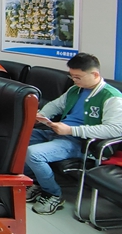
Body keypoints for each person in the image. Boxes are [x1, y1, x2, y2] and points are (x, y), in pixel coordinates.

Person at [25, 53, 122, 215]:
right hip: (58, 133)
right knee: (19, 139)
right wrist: (41, 116)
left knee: (33, 154)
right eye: (72, 76)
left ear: (95, 74)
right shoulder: (75, 90)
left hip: (81, 143)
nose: (74, 80)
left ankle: (53, 194)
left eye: (78, 77)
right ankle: (33, 182)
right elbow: (56, 105)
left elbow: (114, 129)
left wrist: (71, 130)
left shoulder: (112, 97)